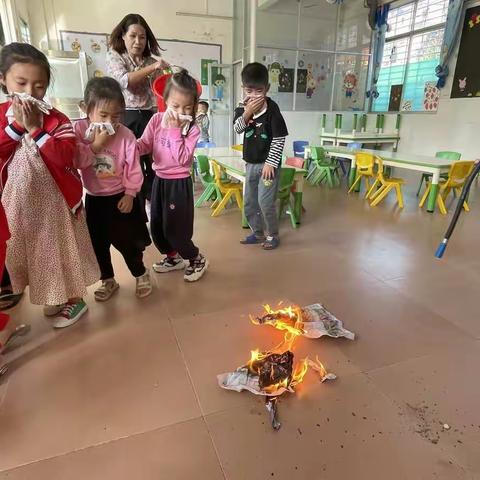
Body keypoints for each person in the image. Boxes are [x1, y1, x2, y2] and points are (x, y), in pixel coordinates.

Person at [0, 43, 99, 328]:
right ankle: (55, 294)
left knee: (61, 248)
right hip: (19, 204)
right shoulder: (2, 116)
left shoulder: (57, 119)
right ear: (4, 80)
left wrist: (34, 129)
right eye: (22, 82)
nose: (30, 92)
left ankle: (74, 299)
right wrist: (16, 126)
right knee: (34, 251)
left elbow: (66, 156)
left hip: (56, 203)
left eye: (39, 85)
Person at [74, 77, 152, 301]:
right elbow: (77, 160)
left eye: (117, 115)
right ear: (86, 110)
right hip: (94, 198)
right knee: (98, 243)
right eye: (104, 115)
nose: (111, 121)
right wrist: (96, 144)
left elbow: (134, 168)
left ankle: (140, 273)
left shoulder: (125, 135)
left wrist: (130, 193)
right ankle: (107, 279)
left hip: (120, 197)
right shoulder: (79, 130)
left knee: (128, 242)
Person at [138, 70, 209, 282]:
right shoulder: (155, 120)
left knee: (176, 229)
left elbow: (182, 159)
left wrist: (174, 130)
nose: (180, 112)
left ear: (194, 107)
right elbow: (143, 145)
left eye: (187, 108)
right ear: (165, 100)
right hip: (159, 180)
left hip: (179, 183)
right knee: (157, 226)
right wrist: (124, 145)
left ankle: (196, 258)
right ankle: (173, 257)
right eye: (175, 106)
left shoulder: (192, 129)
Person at [107, 13, 169, 201]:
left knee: (154, 162)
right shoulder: (115, 56)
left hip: (151, 116)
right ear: (123, 36)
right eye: (133, 36)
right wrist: (153, 68)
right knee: (129, 162)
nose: (137, 41)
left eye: (142, 37)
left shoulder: (151, 61)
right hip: (127, 116)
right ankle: (135, 205)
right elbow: (124, 82)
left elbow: (163, 90)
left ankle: (155, 204)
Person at [234, 62, 288, 250]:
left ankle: (272, 235)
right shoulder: (242, 108)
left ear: (267, 89)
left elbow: (280, 138)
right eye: (250, 90)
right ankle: (257, 233)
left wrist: (271, 163)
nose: (254, 95)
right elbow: (238, 128)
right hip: (250, 164)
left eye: (259, 91)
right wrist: (247, 112)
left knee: (265, 202)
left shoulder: (272, 109)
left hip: (268, 165)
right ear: (243, 88)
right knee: (249, 202)